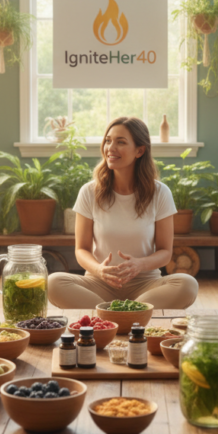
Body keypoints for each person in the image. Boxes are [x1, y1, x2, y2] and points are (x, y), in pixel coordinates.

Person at [48, 117, 198, 310]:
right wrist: (99, 270)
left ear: (140, 150)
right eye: (108, 141)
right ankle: (132, 313)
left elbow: (165, 252)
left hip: (145, 285)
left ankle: (110, 313)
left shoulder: (160, 193)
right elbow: (81, 250)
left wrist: (140, 265)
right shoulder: (89, 192)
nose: (111, 147)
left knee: (187, 284)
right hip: (98, 285)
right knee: (53, 283)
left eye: (121, 142)